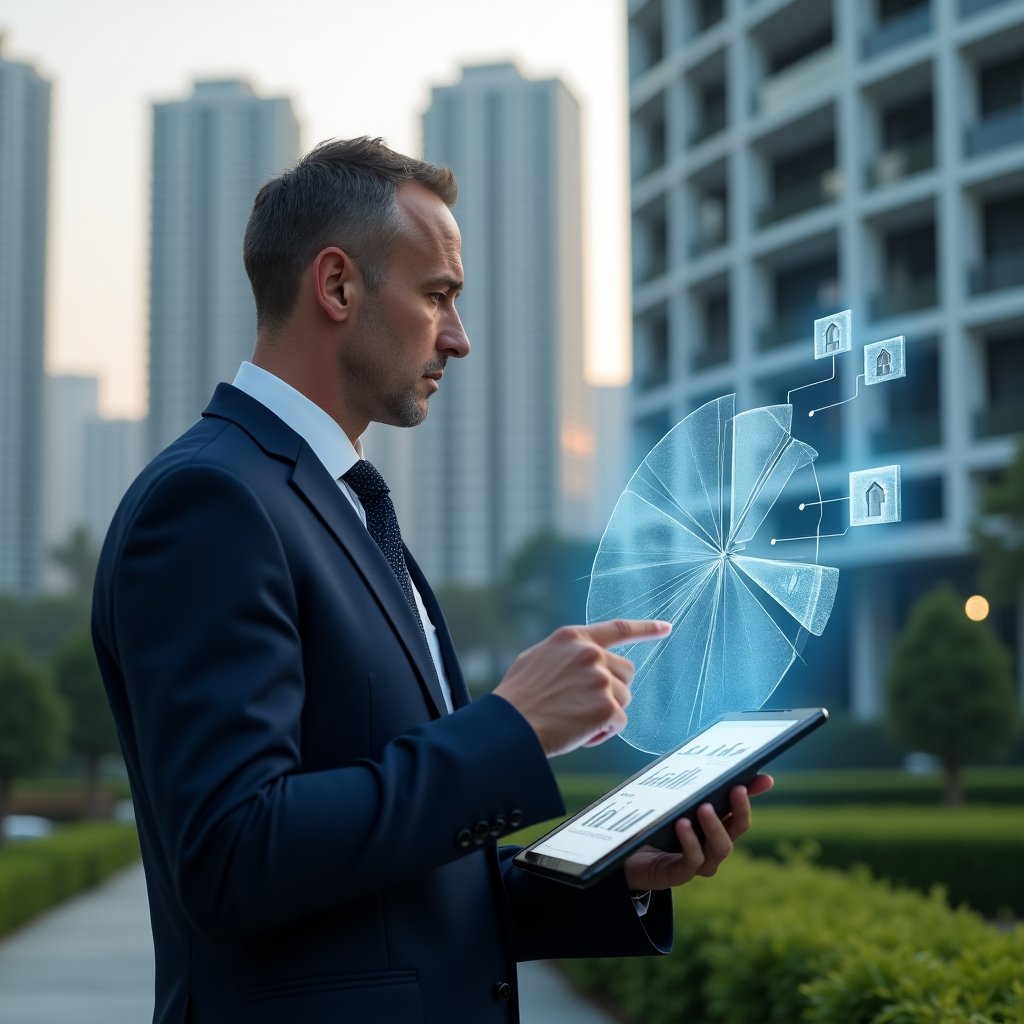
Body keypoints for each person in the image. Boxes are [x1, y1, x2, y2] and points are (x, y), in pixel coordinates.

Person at [92, 136, 772, 1024]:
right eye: (439, 295)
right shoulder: (213, 501)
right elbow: (233, 856)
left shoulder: (344, 507)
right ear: (336, 287)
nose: (460, 337)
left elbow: (395, 891)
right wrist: (510, 726)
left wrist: (613, 873)